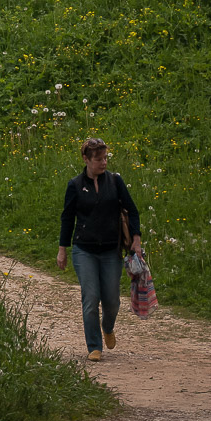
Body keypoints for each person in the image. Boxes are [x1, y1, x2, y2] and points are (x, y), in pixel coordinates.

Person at [57, 136, 142, 361]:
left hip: (110, 251)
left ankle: (108, 326)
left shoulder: (115, 182)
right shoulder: (74, 185)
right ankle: (94, 346)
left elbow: (132, 211)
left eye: (105, 158)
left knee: (112, 300)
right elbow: (67, 218)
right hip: (84, 251)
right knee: (91, 297)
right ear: (86, 159)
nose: (103, 163)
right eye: (98, 159)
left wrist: (136, 239)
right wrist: (62, 249)